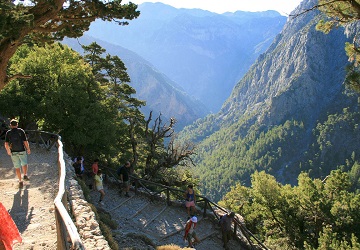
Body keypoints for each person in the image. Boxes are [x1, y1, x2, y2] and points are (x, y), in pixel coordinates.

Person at [4, 119, 31, 188]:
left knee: (17, 167)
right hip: (22, 150)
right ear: (17, 125)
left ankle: (20, 181)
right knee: (24, 163)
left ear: (10, 125)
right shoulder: (21, 131)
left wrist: (8, 151)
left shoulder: (8, 133)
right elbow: (25, 141)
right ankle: (25, 174)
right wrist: (28, 149)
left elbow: (6, 144)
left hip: (13, 152)